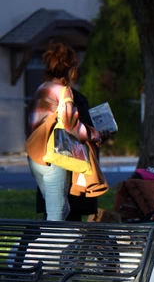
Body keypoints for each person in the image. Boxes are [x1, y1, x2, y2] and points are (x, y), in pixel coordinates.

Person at [27, 42, 102, 221]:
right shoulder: (64, 92)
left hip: (36, 158)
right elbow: (71, 125)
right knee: (57, 216)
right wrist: (94, 134)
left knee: (58, 208)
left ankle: (64, 245)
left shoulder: (41, 89)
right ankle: (45, 248)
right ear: (72, 69)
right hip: (55, 158)